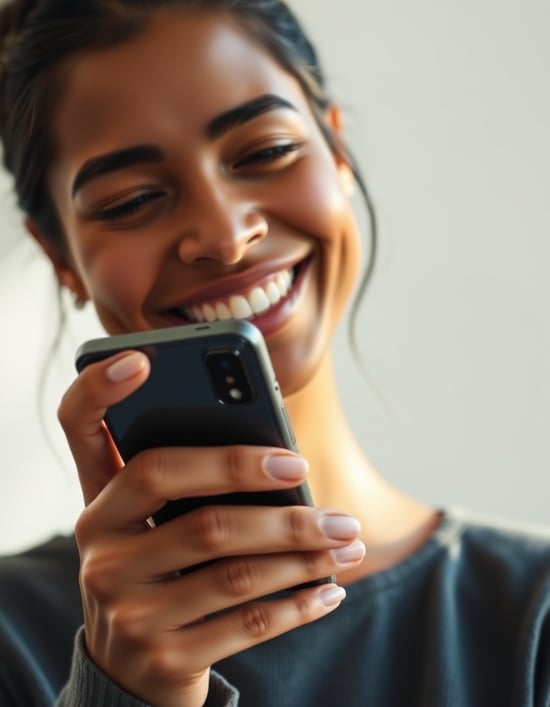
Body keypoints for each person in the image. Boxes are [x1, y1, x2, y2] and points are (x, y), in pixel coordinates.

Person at [0, 1, 549, 705]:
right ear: (61, 258)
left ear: (338, 151)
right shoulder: (12, 634)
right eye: (133, 199)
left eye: (264, 152)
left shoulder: (532, 615)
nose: (225, 236)